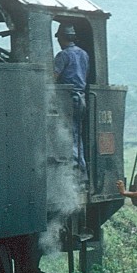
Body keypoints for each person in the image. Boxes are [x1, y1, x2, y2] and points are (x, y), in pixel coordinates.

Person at [53, 23, 89, 174]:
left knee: (69, 135)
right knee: (77, 135)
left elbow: (53, 77)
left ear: (62, 38)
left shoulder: (63, 55)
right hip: (81, 98)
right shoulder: (83, 54)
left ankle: (76, 172)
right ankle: (81, 170)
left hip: (68, 100)